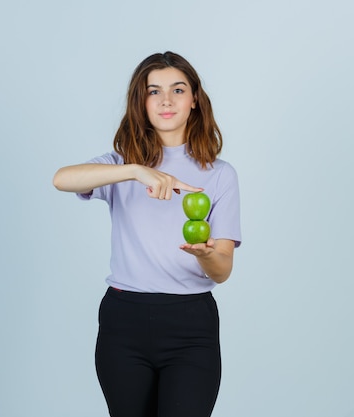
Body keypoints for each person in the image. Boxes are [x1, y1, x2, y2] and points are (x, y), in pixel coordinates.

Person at [52, 51, 241, 417]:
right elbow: (61, 179)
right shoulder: (120, 165)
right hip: (124, 321)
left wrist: (205, 255)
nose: (166, 100)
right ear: (141, 101)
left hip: (191, 324)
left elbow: (222, 270)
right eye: (154, 91)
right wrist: (136, 170)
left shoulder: (220, 175)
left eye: (178, 89)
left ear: (195, 99)